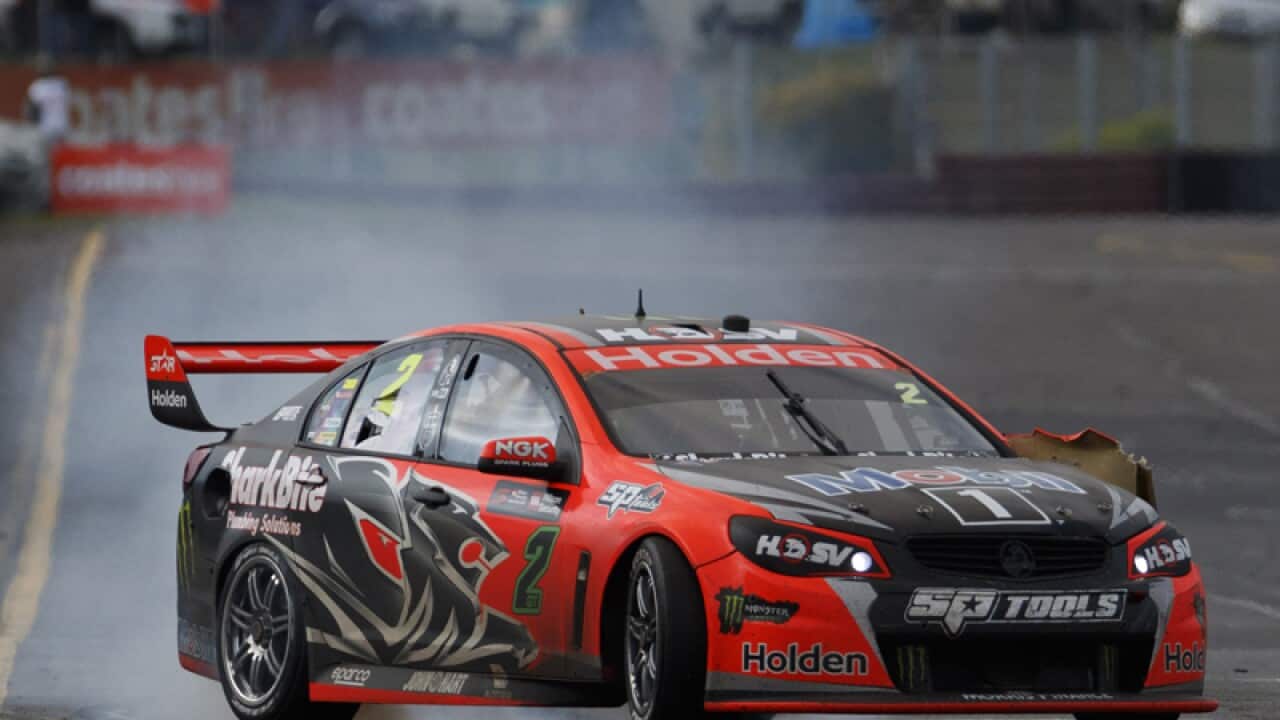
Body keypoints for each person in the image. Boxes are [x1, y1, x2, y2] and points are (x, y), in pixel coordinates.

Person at [24, 56, 70, 148]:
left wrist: (31, 123)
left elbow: (30, 111)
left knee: (49, 156)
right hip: (59, 126)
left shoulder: (37, 86)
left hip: (48, 128)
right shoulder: (62, 84)